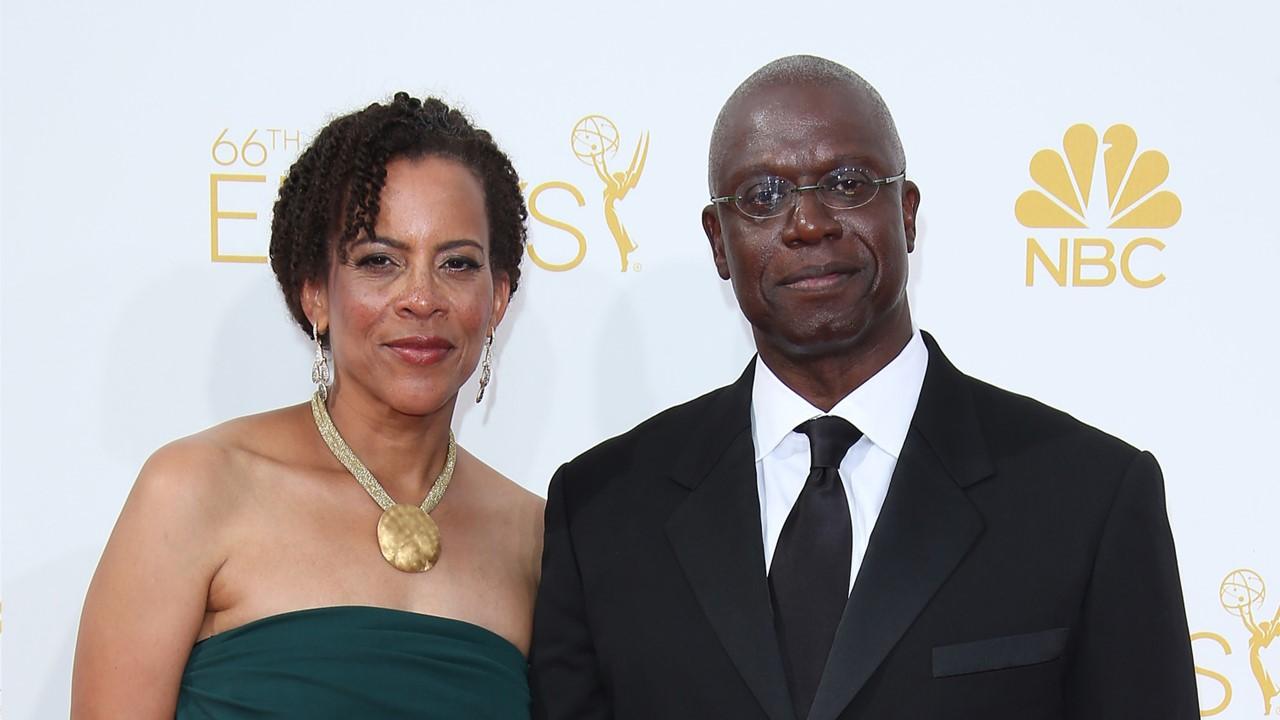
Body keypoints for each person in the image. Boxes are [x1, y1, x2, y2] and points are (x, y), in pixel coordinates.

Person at [530, 56, 1198, 720]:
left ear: (906, 213)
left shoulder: (1091, 497)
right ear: (718, 241)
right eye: (763, 196)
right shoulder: (600, 515)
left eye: (847, 183)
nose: (809, 223)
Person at [72, 93, 543, 719]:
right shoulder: (195, 491)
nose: (422, 298)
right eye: (380, 262)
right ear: (315, 294)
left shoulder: (537, 537)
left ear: (499, 299)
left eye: (457, 264)